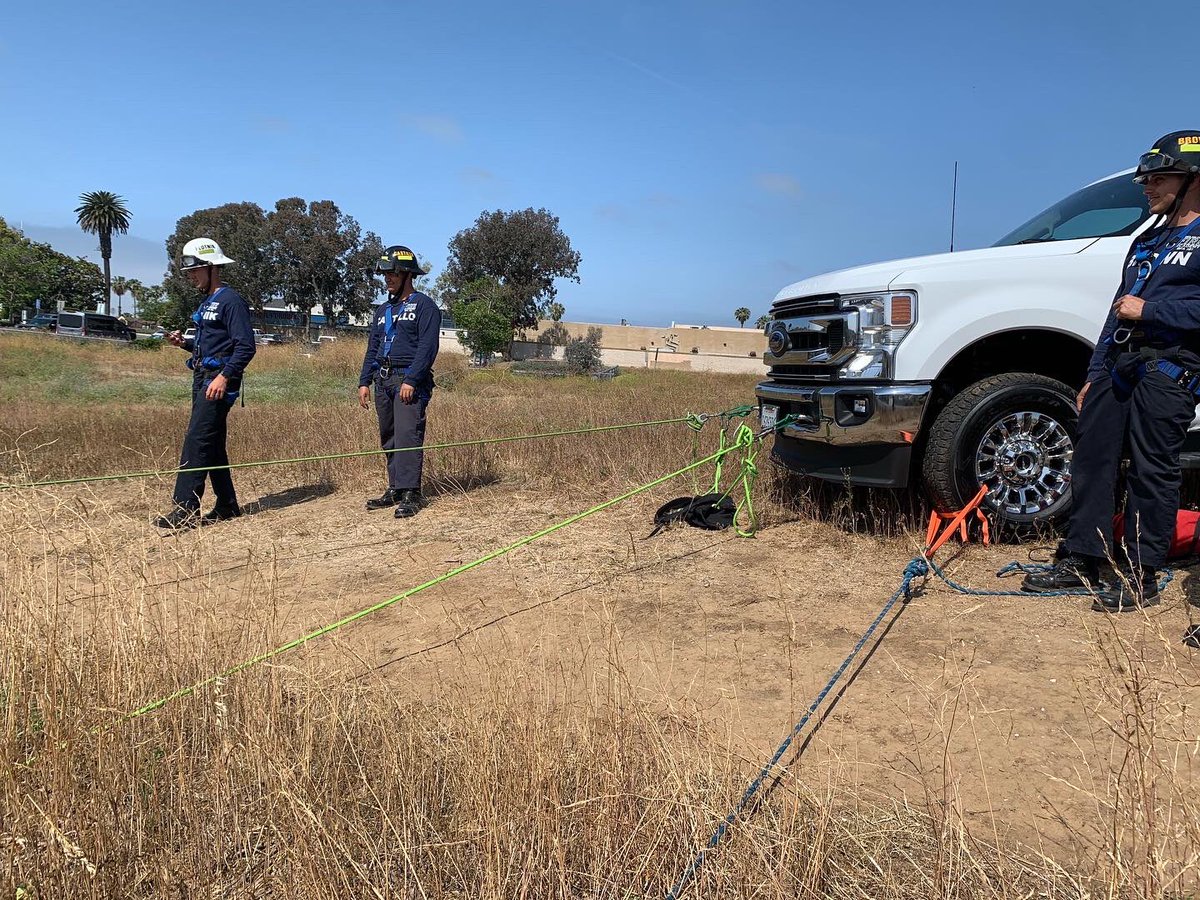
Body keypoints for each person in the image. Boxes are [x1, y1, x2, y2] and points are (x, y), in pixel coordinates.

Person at [1022, 131, 1200, 611]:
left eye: (1159, 177)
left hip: (1171, 370)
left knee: (1152, 470)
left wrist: (1153, 313)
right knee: (1092, 460)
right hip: (1118, 367)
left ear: (1192, 179)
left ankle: (1142, 573)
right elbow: (1117, 309)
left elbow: (1143, 308)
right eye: (1148, 177)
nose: (1147, 186)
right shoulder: (1148, 239)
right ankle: (1084, 558)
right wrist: (1094, 373)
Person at [155, 238, 256, 529]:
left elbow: (245, 347)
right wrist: (184, 344)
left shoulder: (231, 301)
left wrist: (224, 377)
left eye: (195, 270)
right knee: (212, 444)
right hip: (202, 377)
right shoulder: (207, 301)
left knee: (196, 441)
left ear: (212, 267)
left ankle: (184, 511)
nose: (191, 277)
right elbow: (210, 346)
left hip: (217, 383)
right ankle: (227, 505)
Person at [359, 245, 441, 518]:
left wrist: (412, 380)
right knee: (390, 437)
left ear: (407, 274)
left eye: (393, 273)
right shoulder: (382, 310)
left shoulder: (424, 306)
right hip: (383, 380)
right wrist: (364, 382)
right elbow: (373, 347)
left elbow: (427, 348)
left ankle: (411, 493)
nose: (388, 279)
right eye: (385, 274)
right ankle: (394, 488)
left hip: (408, 381)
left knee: (408, 436)